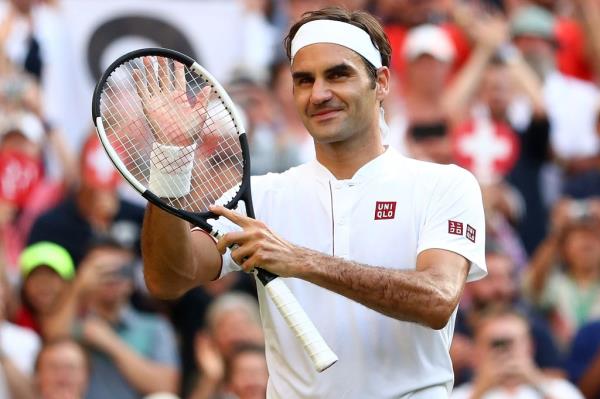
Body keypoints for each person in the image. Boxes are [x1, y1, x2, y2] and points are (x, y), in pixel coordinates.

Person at [141, 7, 486, 398]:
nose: (319, 94)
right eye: (304, 81)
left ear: (382, 82)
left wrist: (301, 260)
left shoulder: (445, 183)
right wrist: (170, 156)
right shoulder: (262, 195)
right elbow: (167, 279)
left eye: (338, 74)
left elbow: (437, 298)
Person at [43, 238, 180, 399]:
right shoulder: (74, 324)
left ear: (132, 278)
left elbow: (165, 388)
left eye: (122, 270)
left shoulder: (155, 326)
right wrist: (78, 288)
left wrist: (109, 341)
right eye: (102, 270)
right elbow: (50, 339)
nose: (112, 277)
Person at [451, 307, 583, 399]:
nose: (504, 352)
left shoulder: (560, 389)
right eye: (495, 343)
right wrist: (479, 392)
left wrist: (539, 385)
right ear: (476, 352)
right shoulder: (458, 395)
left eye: (511, 343)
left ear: (530, 347)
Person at [14, 241, 75, 336]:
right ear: (24, 285)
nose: (43, 284)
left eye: (51, 276)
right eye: (36, 276)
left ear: (68, 283)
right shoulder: (16, 322)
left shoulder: (85, 319)